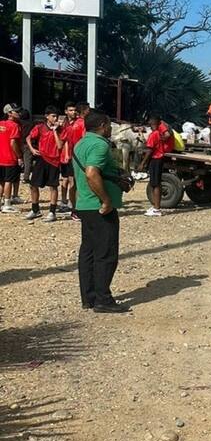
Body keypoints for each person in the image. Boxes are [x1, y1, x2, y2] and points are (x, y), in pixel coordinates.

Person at [74, 110, 129, 313]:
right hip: (99, 207)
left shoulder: (81, 143)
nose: (110, 129)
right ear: (103, 125)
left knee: (88, 252)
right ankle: (103, 300)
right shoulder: (99, 144)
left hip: (84, 205)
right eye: (109, 125)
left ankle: (88, 297)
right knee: (105, 253)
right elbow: (91, 173)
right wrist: (106, 200)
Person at [25, 106, 64, 222]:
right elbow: (28, 138)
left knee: (53, 186)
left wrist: (55, 131)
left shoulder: (60, 129)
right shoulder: (40, 127)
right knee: (33, 185)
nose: (55, 118)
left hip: (54, 160)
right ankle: (35, 209)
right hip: (42, 159)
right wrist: (32, 149)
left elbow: (60, 145)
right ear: (47, 116)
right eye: (53, 116)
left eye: (56, 116)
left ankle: (52, 212)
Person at [139, 113, 174, 217]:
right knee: (154, 183)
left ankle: (157, 209)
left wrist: (142, 163)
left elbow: (149, 150)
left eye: (150, 122)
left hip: (156, 159)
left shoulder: (154, 134)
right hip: (158, 158)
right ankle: (155, 206)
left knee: (156, 184)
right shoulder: (158, 133)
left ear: (152, 122)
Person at [0, 103, 23, 213]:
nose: (19, 113)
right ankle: (7, 203)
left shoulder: (1, 124)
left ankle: (2, 202)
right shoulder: (14, 125)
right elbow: (13, 142)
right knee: (8, 181)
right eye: (16, 111)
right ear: (9, 113)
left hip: (1, 157)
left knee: (1, 181)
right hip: (10, 158)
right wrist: (19, 156)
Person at [58, 102, 78, 216]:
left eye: (74, 110)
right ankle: (63, 201)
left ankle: (72, 203)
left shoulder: (78, 123)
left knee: (72, 180)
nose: (73, 112)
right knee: (64, 179)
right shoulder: (63, 123)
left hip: (73, 155)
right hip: (64, 155)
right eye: (70, 110)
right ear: (66, 111)